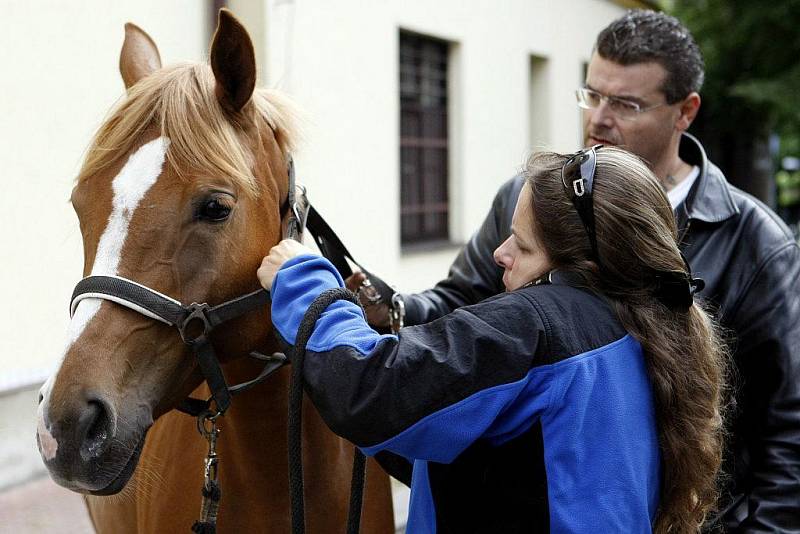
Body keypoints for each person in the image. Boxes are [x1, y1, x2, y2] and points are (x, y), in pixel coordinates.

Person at [350, 10, 800, 531]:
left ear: (685, 111)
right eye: (592, 94)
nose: (598, 119)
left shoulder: (757, 243)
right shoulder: (527, 200)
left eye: (626, 104)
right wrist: (394, 308)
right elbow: (459, 303)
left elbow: (788, 435)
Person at [259, 147, 727, 533]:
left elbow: (369, 389)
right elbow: (498, 469)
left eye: (522, 245)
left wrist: (305, 284)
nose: (500, 254)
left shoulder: (535, 327)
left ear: (580, 264)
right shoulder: (640, 326)